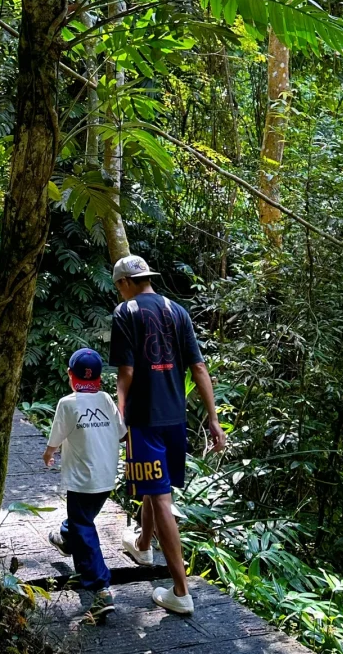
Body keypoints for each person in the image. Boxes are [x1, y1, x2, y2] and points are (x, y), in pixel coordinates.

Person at [109, 254, 225, 616]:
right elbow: (199, 367)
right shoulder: (178, 311)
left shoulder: (125, 313)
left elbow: (126, 372)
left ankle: (180, 591)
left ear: (125, 283)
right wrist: (213, 418)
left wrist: (120, 413)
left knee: (160, 498)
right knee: (157, 484)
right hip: (175, 417)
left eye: (118, 286)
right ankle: (143, 544)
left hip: (144, 419)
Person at [42, 347, 125, 617]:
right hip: (106, 476)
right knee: (82, 518)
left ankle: (101, 587)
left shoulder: (67, 403)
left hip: (81, 479)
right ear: (99, 377)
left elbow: (56, 436)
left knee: (84, 526)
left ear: (70, 374)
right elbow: (122, 433)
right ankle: (66, 537)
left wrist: (49, 453)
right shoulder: (106, 399)